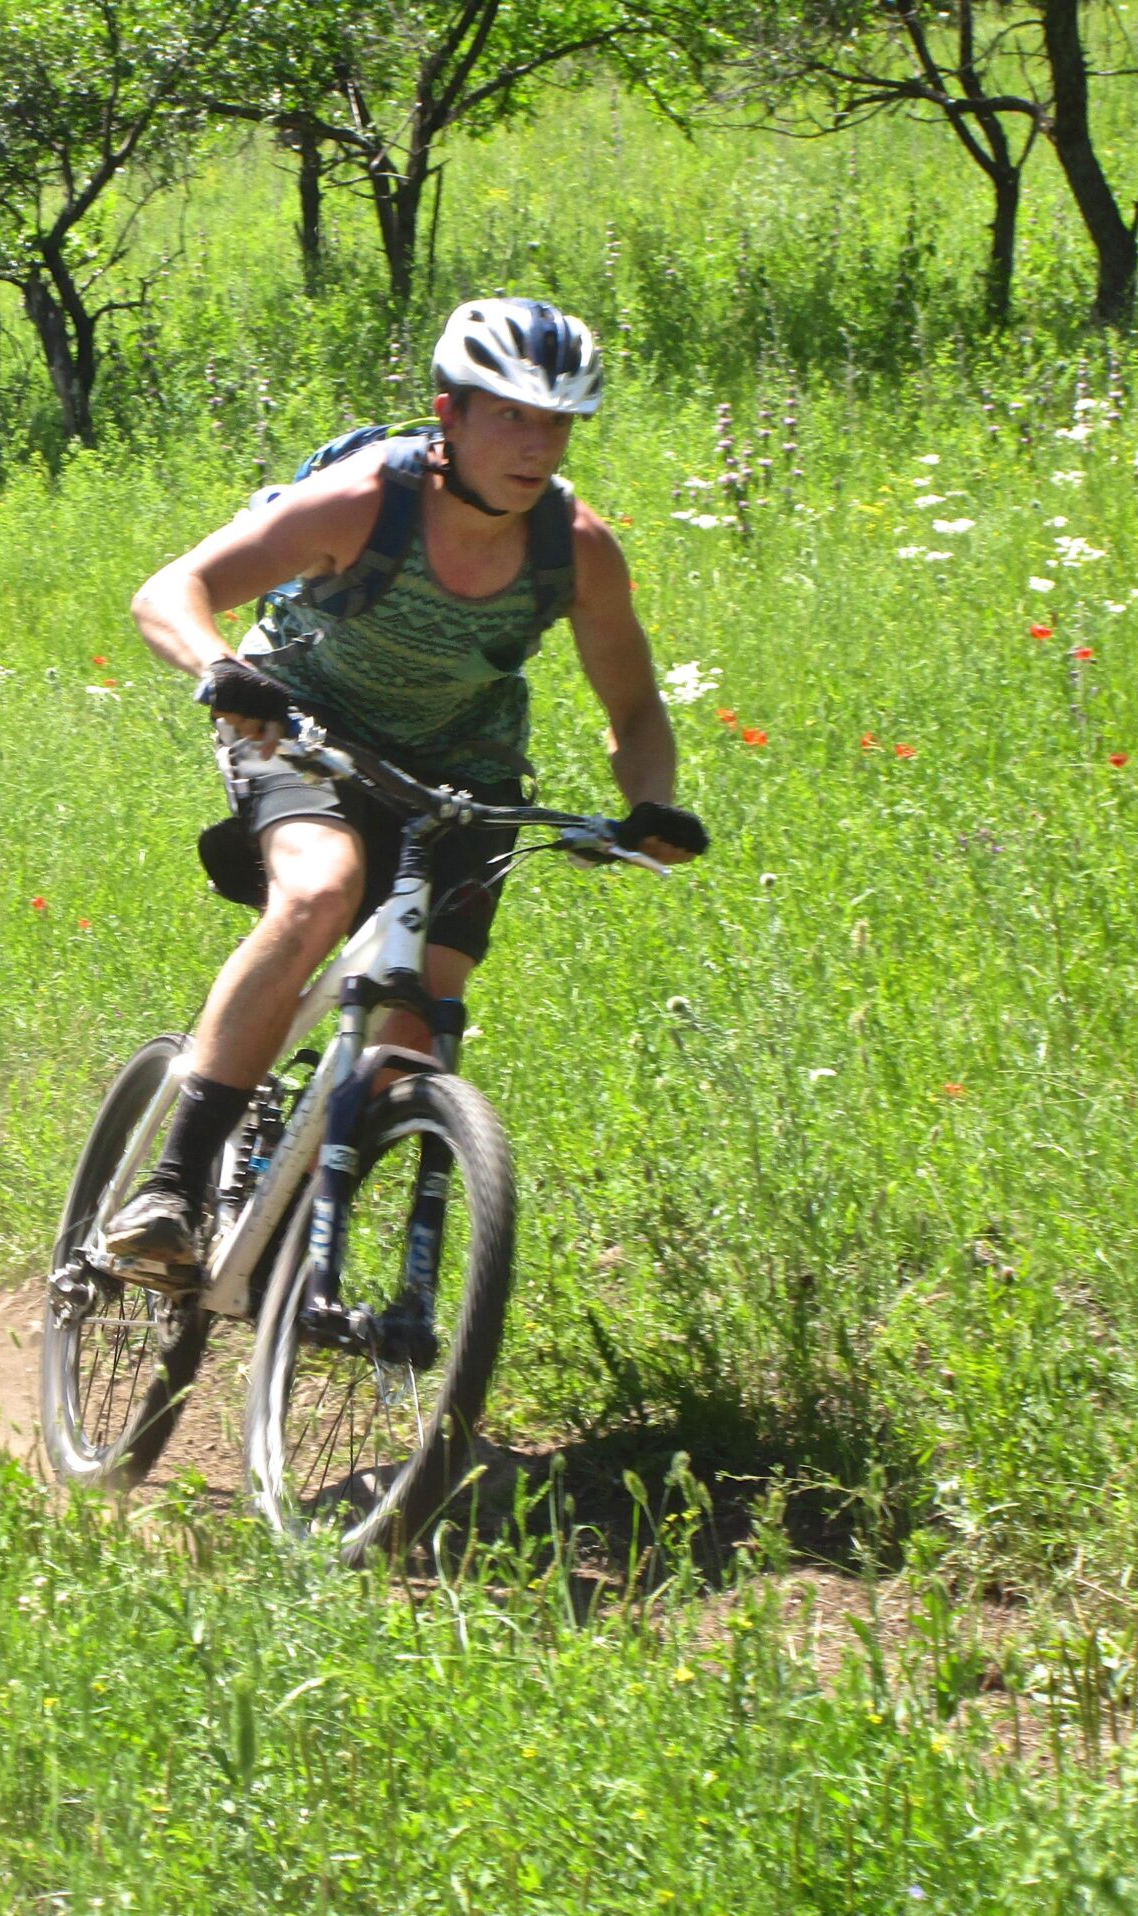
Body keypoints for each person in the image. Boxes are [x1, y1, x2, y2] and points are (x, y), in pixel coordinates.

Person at [111, 297, 707, 1278]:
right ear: (450, 413)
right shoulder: (361, 501)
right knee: (318, 893)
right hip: (297, 721)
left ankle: (295, 1214)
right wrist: (222, 669)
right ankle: (170, 1189)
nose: (535, 443)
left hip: (464, 771)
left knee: (421, 1021)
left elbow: (635, 707)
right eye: (509, 414)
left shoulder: (577, 551)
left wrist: (650, 804)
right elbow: (168, 593)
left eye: (556, 421)